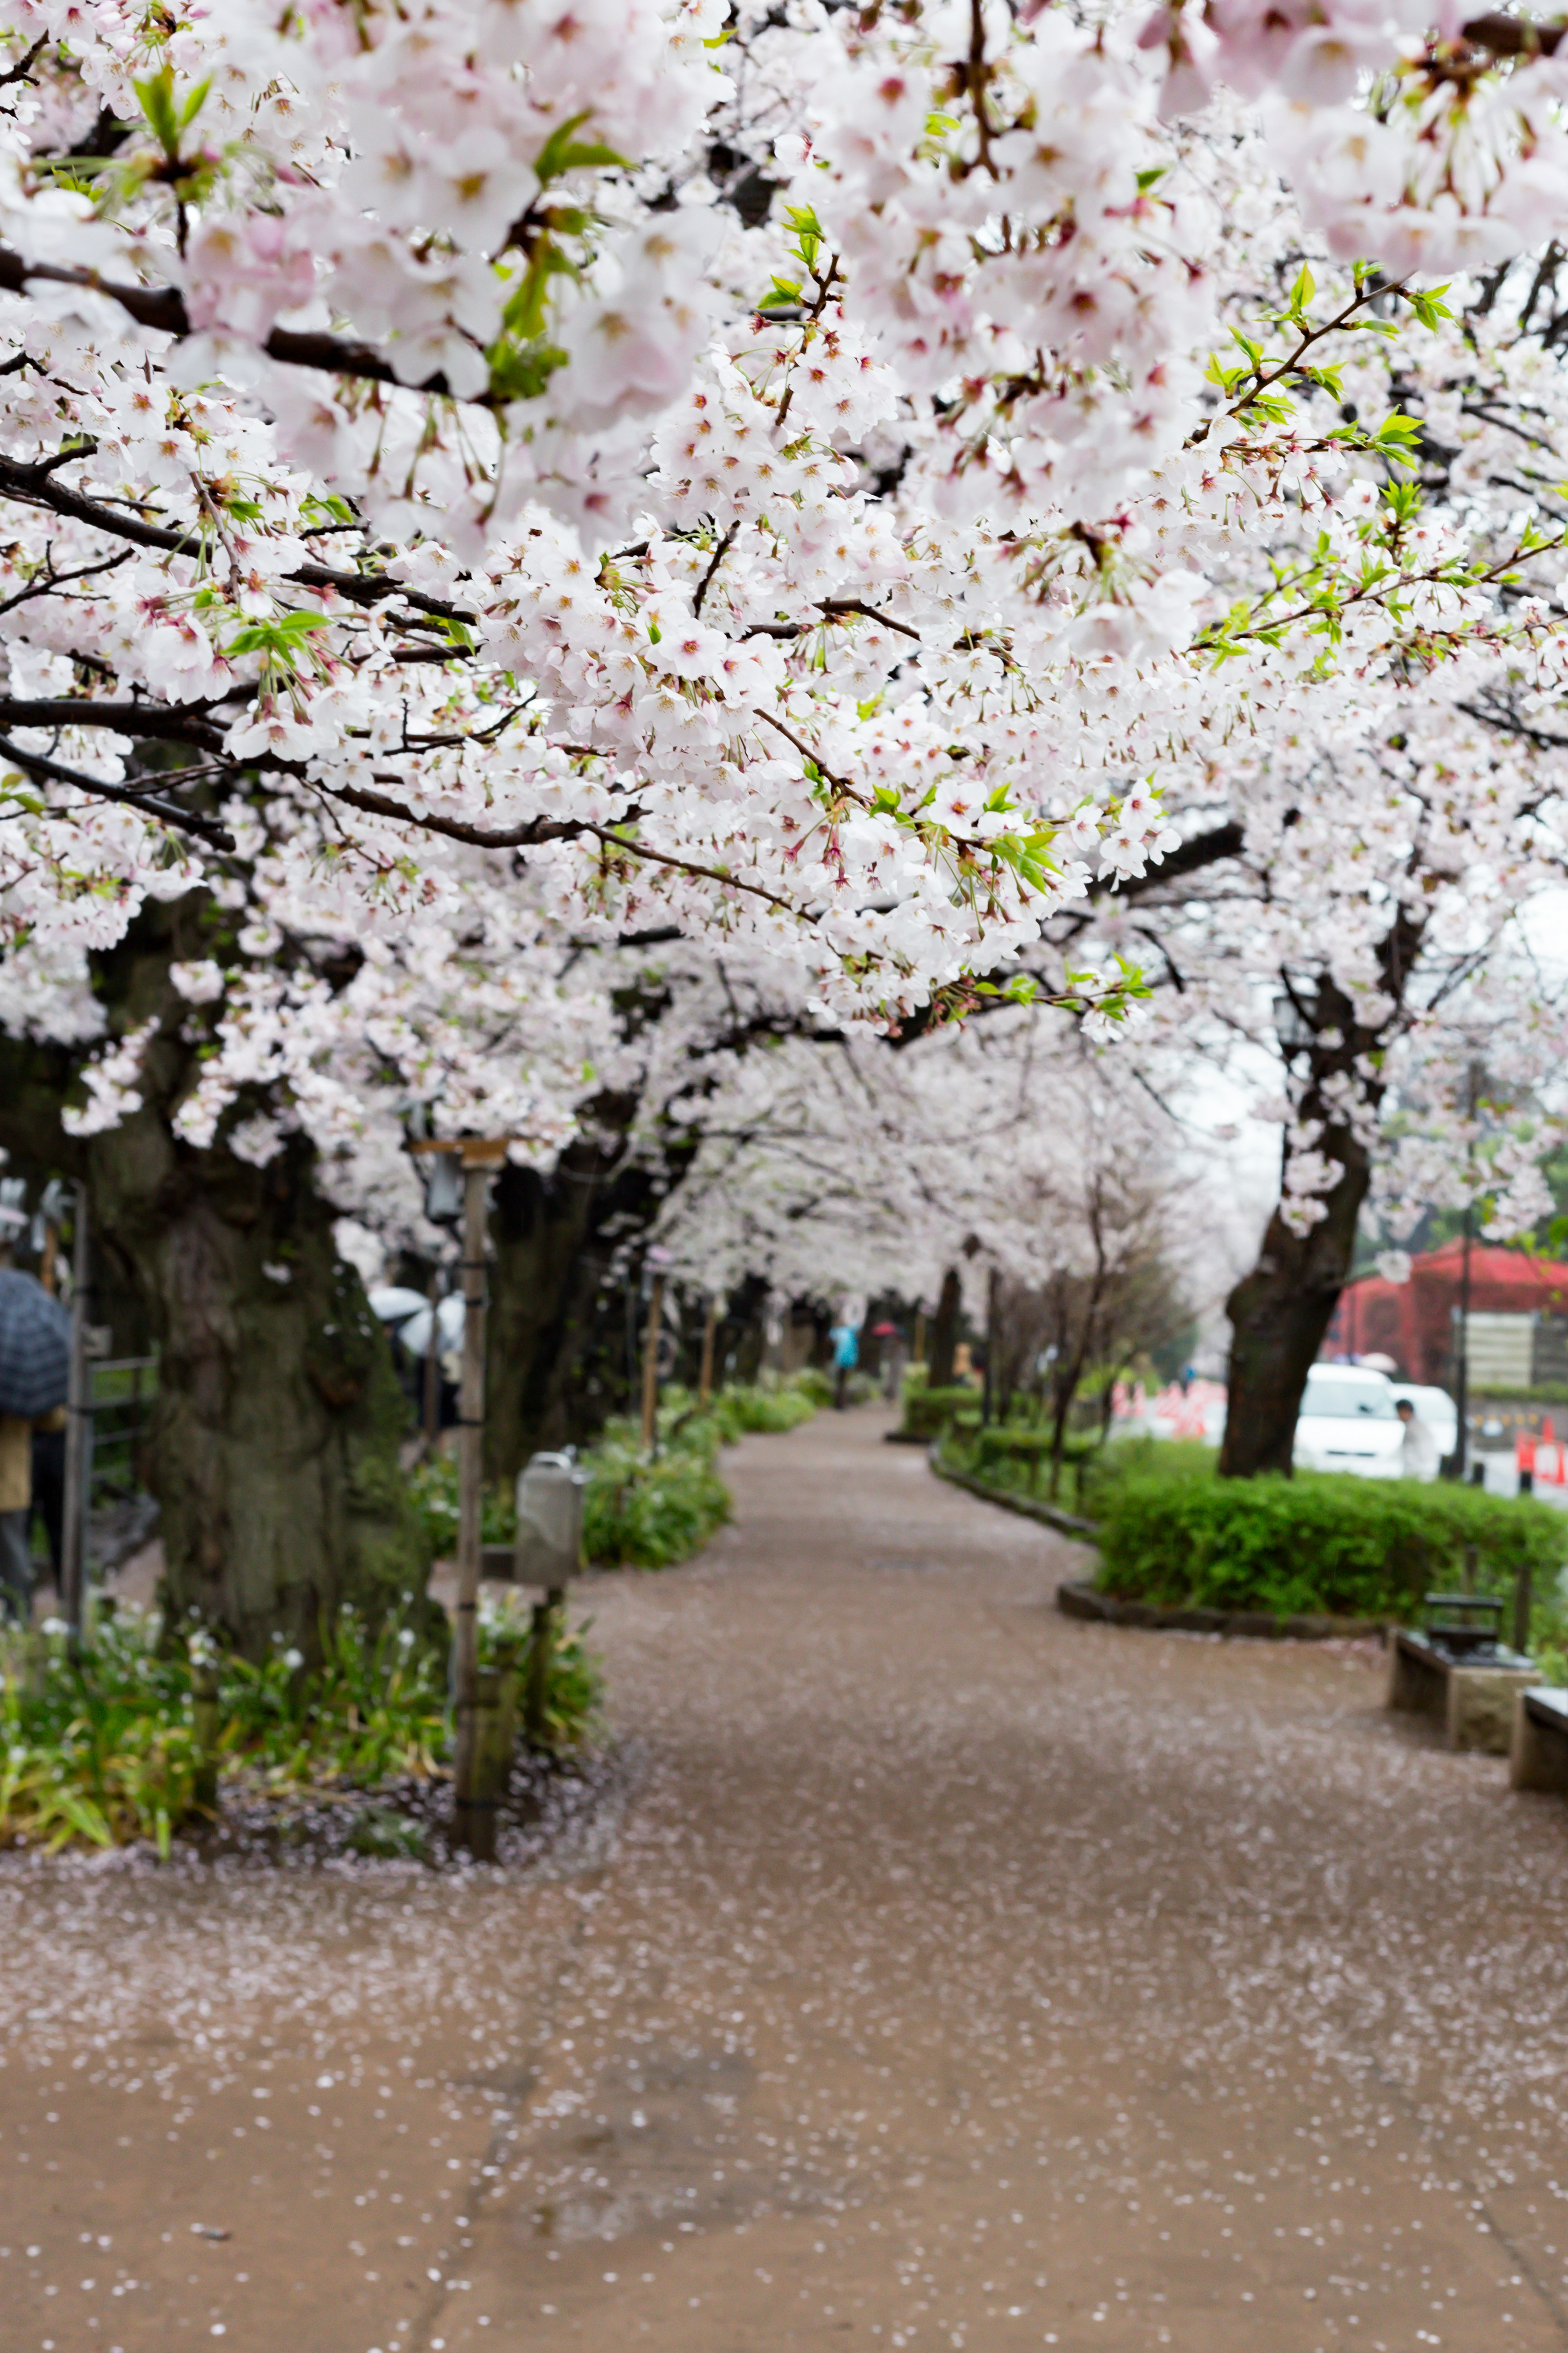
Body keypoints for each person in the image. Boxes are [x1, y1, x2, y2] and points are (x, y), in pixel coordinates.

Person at [1396, 1398, 1440, 1482]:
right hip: (1427, 1469)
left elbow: (1410, 1454)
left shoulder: (1413, 1430)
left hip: (1419, 1471)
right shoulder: (1418, 1426)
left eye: (1399, 1412)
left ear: (1405, 1411)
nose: (1398, 1416)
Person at [829, 1317, 859, 1410]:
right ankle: (841, 1404)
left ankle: (838, 1403)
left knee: (839, 1382)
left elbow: (831, 1336)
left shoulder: (838, 1332)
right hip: (848, 1361)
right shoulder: (850, 1333)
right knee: (843, 1383)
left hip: (840, 1360)